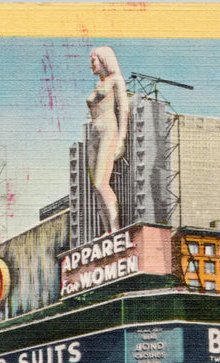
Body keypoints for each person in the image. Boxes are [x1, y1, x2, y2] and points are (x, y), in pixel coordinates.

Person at [87, 45, 129, 234]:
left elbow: (124, 109)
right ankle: (107, 230)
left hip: (108, 131)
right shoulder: (99, 84)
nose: (91, 64)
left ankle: (115, 228)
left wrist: (121, 139)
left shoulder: (116, 80)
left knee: (101, 182)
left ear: (104, 60)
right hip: (94, 134)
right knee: (96, 186)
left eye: (93, 60)